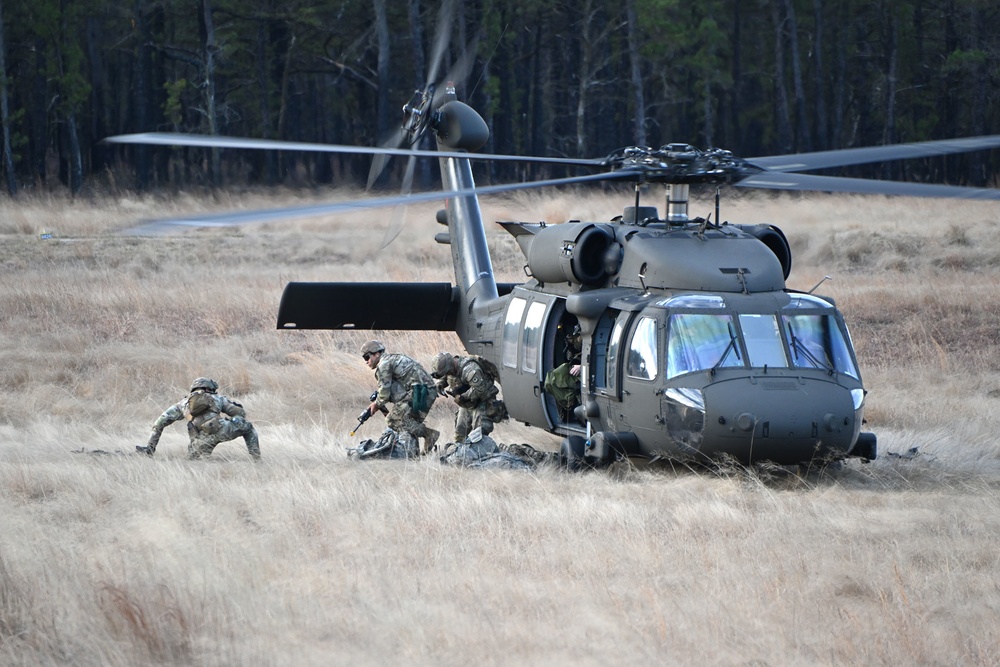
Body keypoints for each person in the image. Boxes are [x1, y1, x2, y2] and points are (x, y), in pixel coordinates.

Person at [138, 377, 261, 460]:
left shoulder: (183, 403)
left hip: (199, 441)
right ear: (210, 388)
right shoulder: (218, 398)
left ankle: (197, 453)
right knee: (248, 427)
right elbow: (239, 413)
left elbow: (159, 423)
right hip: (223, 430)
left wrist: (150, 447)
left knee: (196, 462)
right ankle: (256, 459)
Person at [360, 340, 440, 455]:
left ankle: (429, 434)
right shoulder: (392, 358)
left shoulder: (383, 365)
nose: (366, 362)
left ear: (377, 354)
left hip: (420, 393)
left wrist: (375, 405)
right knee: (409, 421)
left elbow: (384, 394)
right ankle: (413, 453)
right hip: (425, 391)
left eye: (367, 357)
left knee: (392, 420)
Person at [431, 351, 505, 443]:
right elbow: (447, 376)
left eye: (447, 371)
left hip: (482, 402)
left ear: (450, 367)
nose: (448, 373)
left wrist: (463, 397)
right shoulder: (451, 369)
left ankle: (481, 455)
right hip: (467, 405)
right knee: (460, 435)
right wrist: (440, 384)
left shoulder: (470, 369)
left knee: (478, 437)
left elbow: (479, 389)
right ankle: (461, 454)